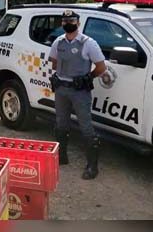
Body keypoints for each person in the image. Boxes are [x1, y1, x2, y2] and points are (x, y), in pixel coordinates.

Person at [49, 9, 108, 180]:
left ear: (78, 23)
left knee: (85, 126)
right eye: (65, 20)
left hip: (79, 91)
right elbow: (54, 63)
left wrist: (87, 77)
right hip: (61, 89)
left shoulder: (88, 43)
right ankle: (62, 157)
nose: (68, 23)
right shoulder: (58, 42)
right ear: (62, 23)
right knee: (60, 123)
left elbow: (101, 67)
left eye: (72, 20)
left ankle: (92, 166)